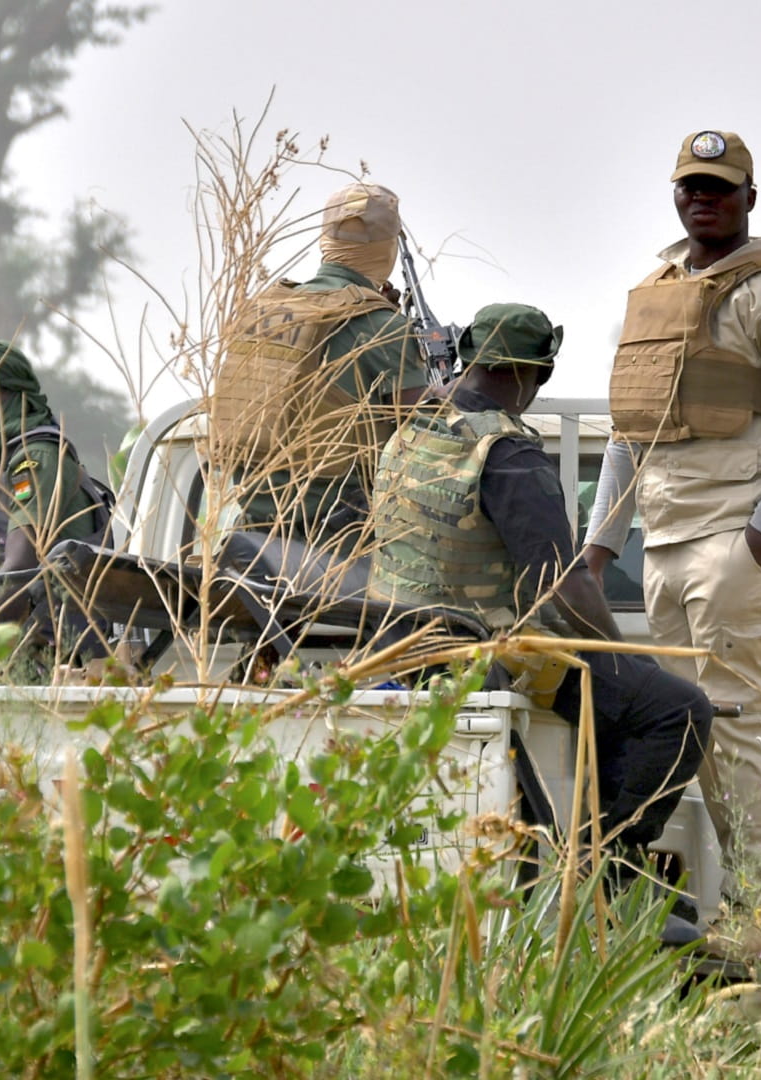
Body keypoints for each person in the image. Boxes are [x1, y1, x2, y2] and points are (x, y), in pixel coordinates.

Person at [582, 131, 761, 925]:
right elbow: (631, 431)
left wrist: (758, 541)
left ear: (749, 200)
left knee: (745, 734)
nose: (705, 198)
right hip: (663, 544)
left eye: (721, 187)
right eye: (692, 185)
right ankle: (704, 918)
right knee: (684, 734)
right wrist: (599, 546)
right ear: (675, 194)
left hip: (734, 540)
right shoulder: (655, 293)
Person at [370, 302, 713, 860]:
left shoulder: (409, 433)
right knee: (675, 709)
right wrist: (620, 659)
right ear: (537, 372)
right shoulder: (505, 450)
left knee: (618, 689)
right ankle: (603, 869)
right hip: (474, 660)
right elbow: (565, 582)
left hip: (398, 651)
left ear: (468, 357)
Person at [211, 182, 429, 552]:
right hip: (337, 546)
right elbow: (425, 432)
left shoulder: (260, 312)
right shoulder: (382, 328)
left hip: (252, 534)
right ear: (387, 250)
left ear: (325, 241)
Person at [0, 337, 111, 628]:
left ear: (16, 394)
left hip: (49, 638)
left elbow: (20, 566)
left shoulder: (36, 457)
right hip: (4, 632)